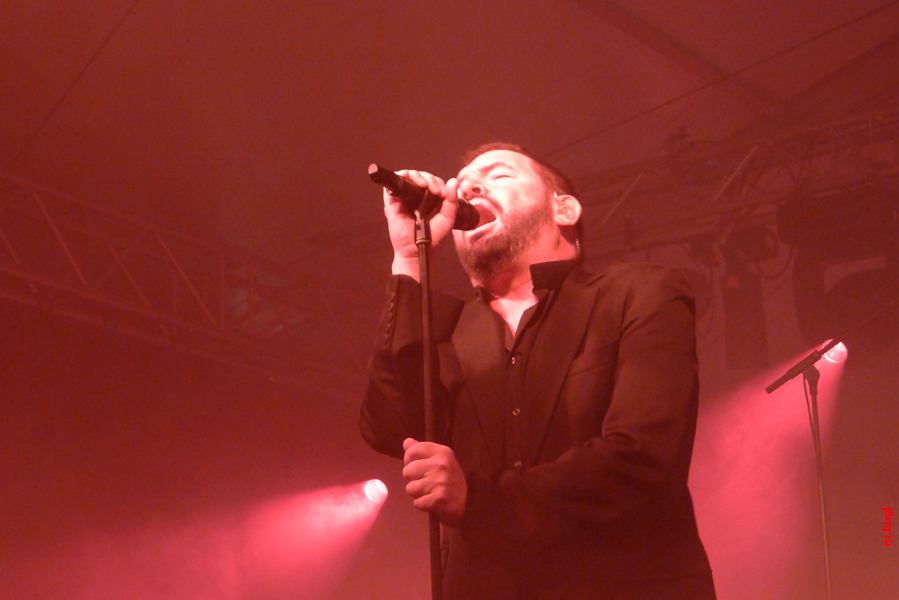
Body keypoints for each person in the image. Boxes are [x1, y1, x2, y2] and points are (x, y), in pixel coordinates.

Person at [360, 143, 716, 600]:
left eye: (499, 175)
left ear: (563, 209)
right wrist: (409, 260)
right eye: (463, 184)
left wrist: (480, 501)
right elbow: (389, 427)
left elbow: (641, 455)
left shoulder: (639, 293)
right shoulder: (447, 334)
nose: (468, 188)